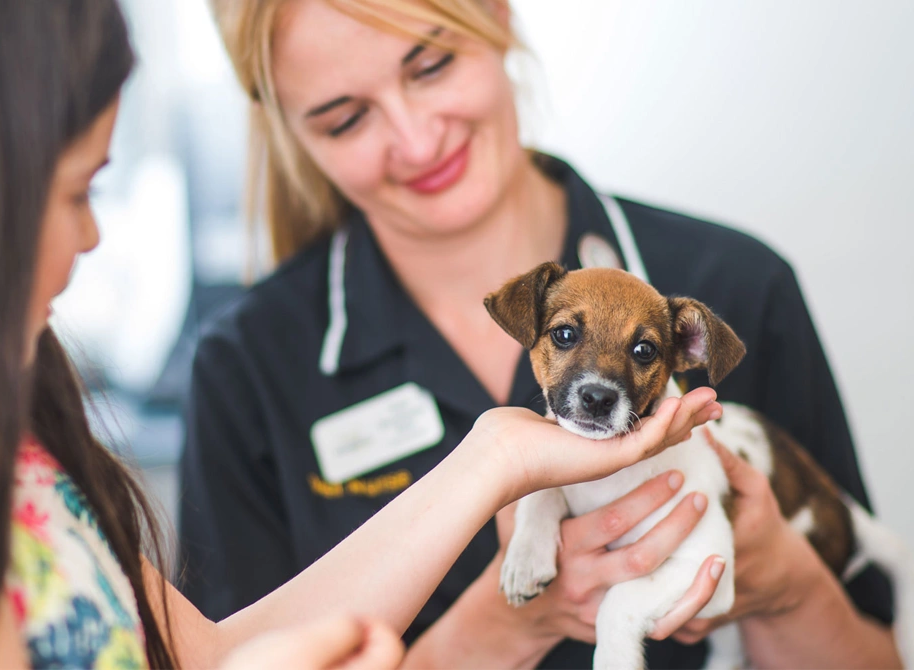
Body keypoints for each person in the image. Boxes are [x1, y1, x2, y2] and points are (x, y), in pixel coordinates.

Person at [0, 1, 723, 668]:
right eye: (78, 192)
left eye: (429, 63)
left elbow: (210, 656)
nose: (94, 235)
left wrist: (493, 458)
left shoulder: (15, 443)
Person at [178, 0, 901, 667]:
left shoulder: (739, 286)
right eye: (344, 119)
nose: (416, 138)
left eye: (431, 66)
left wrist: (785, 588)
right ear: (287, 126)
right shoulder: (244, 368)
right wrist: (511, 621)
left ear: (497, 14)